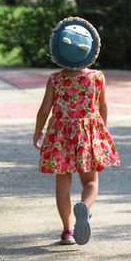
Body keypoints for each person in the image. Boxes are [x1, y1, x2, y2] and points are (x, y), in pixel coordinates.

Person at [33, 17, 120, 246]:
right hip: (88, 134)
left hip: (60, 134)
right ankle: (86, 208)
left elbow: (44, 110)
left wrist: (38, 131)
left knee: (63, 184)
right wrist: (103, 131)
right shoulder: (97, 78)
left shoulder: (55, 80)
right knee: (90, 182)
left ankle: (67, 230)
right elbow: (102, 107)